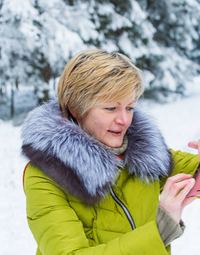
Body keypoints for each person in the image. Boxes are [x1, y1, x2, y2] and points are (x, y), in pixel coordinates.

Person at [22, 49, 200, 255]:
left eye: (130, 107)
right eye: (110, 109)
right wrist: (160, 230)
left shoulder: (143, 152)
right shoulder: (45, 176)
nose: (124, 120)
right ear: (76, 108)